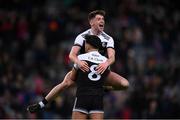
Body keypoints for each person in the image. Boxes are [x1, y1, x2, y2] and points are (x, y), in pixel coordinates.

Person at [27, 9, 129, 113]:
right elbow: (72, 55)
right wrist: (79, 63)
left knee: (125, 84)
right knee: (65, 83)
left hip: (100, 70)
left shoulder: (108, 39)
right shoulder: (82, 36)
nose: (102, 21)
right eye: (98, 19)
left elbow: (112, 57)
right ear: (91, 22)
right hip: (84, 70)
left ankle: (105, 88)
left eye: (103, 19)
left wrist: (106, 63)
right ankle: (41, 104)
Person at [28, 35, 110, 119]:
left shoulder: (81, 58)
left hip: (83, 97)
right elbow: (106, 79)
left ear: (88, 45)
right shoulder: (105, 61)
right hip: (97, 99)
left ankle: (41, 104)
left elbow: (72, 77)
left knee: (65, 83)